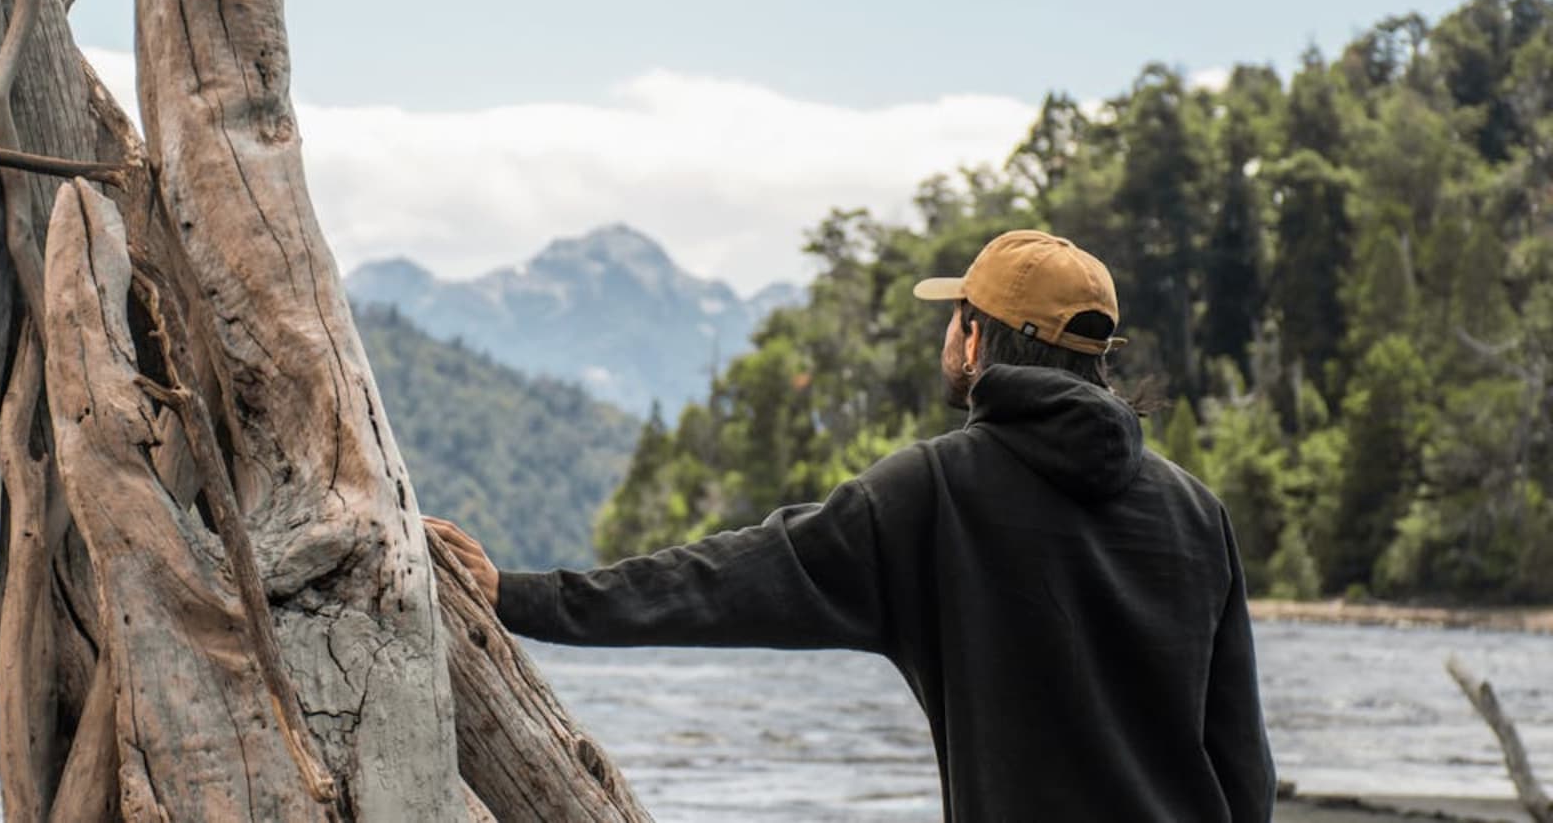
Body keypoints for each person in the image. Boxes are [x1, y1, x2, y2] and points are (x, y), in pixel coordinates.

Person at [425, 228, 1275, 822]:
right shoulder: (1198, 514)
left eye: (957, 315)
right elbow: (1244, 767)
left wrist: (520, 595)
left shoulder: (939, 492)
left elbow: (724, 580)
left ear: (976, 343)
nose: (948, 331)